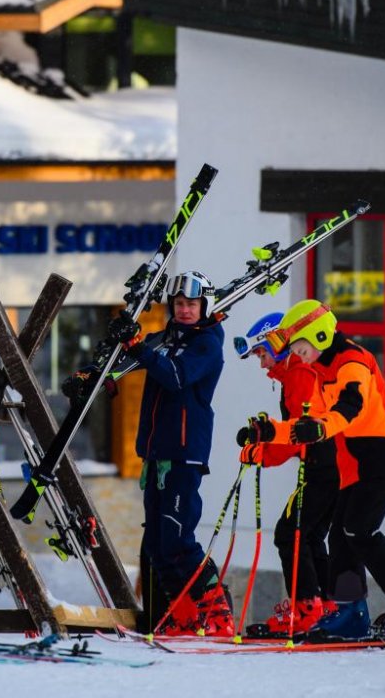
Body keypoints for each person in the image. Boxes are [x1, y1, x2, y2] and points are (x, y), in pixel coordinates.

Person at [240, 299, 385, 640]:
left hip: (380, 456)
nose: (297, 355)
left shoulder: (352, 360)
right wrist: (269, 433)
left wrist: (317, 429)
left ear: (317, 336)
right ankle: (350, 611)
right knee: (340, 536)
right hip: (352, 463)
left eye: (299, 347)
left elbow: (351, 408)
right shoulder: (322, 368)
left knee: (359, 531)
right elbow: (307, 423)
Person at [123, 270, 229, 636]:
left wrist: (139, 350)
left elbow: (176, 376)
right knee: (156, 542)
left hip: (185, 453)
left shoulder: (207, 344)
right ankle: (183, 612)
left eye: (192, 304)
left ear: (205, 305)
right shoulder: (165, 338)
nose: (184, 310)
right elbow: (128, 360)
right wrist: (98, 372)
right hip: (156, 453)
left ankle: (216, 611)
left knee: (178, 539)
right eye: (179, 304)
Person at [232, 313, 340, 637]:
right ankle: (326, 606)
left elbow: (298, 434)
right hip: (324, 466)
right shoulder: (293, 374)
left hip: (322, 466)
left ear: (277, 345)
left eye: (262, 354)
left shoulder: (299, 374)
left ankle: (306, 609)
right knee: (307, 536)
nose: (262, 365)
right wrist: (263, 436)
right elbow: (290, 433)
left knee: (289, 534)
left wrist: (260, 453)